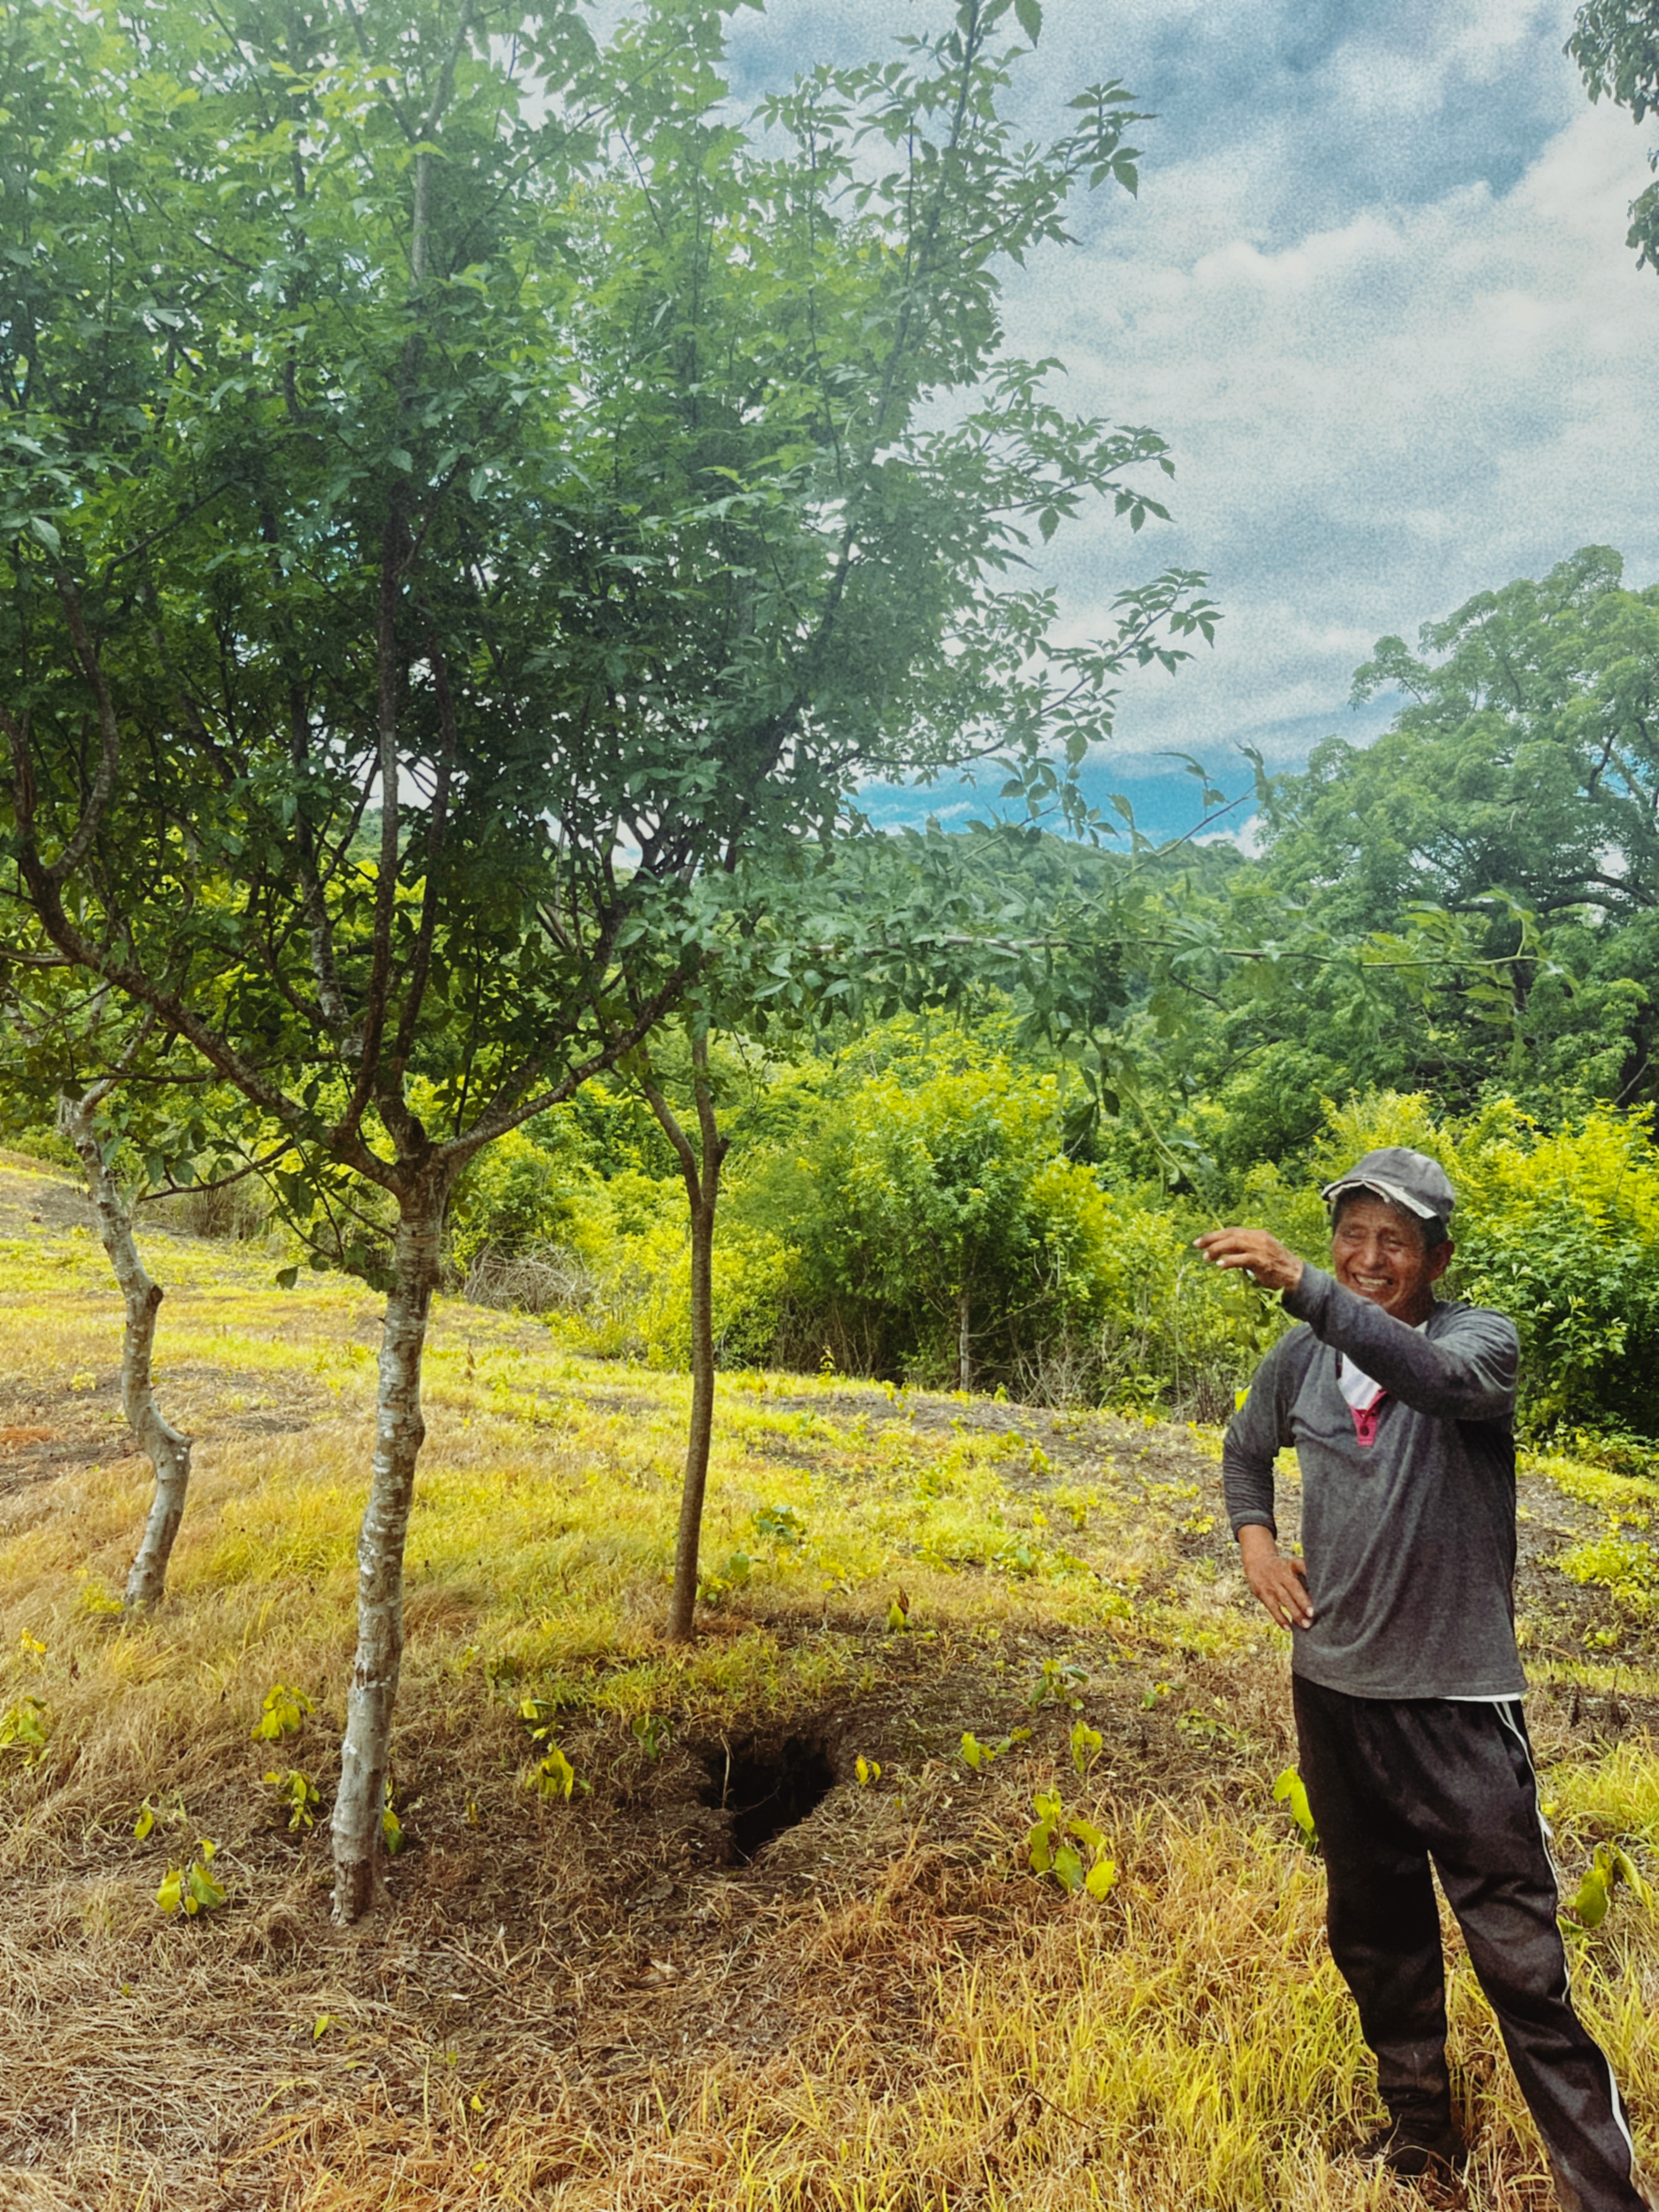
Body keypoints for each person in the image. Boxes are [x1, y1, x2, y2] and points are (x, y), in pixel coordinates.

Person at [1197, 1147, 1648, 2211]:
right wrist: (1257, 1545)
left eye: (1393, 1240)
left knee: (1523, 1964)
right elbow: (1241, 1452)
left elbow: (1428, 1377)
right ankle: (1421, 2140)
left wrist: (1306, 1285)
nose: (1366, 1258)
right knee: (1375, 1933)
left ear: (1437, 1257)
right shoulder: (1297, 1363)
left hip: (1457, 1705)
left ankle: (1603, 2191)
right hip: (1336, 1698)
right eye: (1351, 1234)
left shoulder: (1480, 1346)